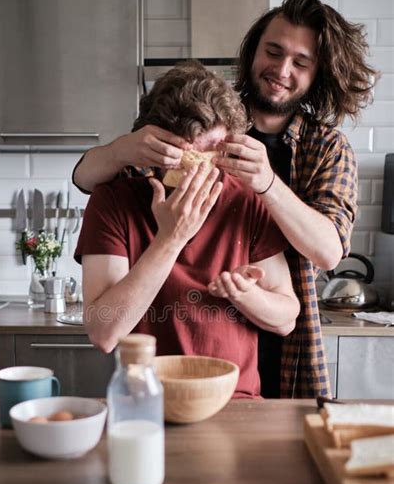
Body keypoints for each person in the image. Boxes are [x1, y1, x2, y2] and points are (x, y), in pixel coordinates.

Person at [72, 0, 378, 398]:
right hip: (150, 395)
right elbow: (84, 177)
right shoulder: (126, 188)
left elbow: (325, 259)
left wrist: (267, 186)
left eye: (301, 63)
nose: (282, 70)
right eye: (273, 51)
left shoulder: (317, 155)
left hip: (269, 371)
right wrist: (169, 230)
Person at [75, 61, 300, 398]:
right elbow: (104, 332)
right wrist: (171, 238)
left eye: (212, 155)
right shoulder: (114, 201)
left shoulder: (247, 201)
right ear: (153, 147)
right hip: (145, 400)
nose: (202, 174)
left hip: (235, 401)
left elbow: (286, 318)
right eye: (185, 158)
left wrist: (244, 294)